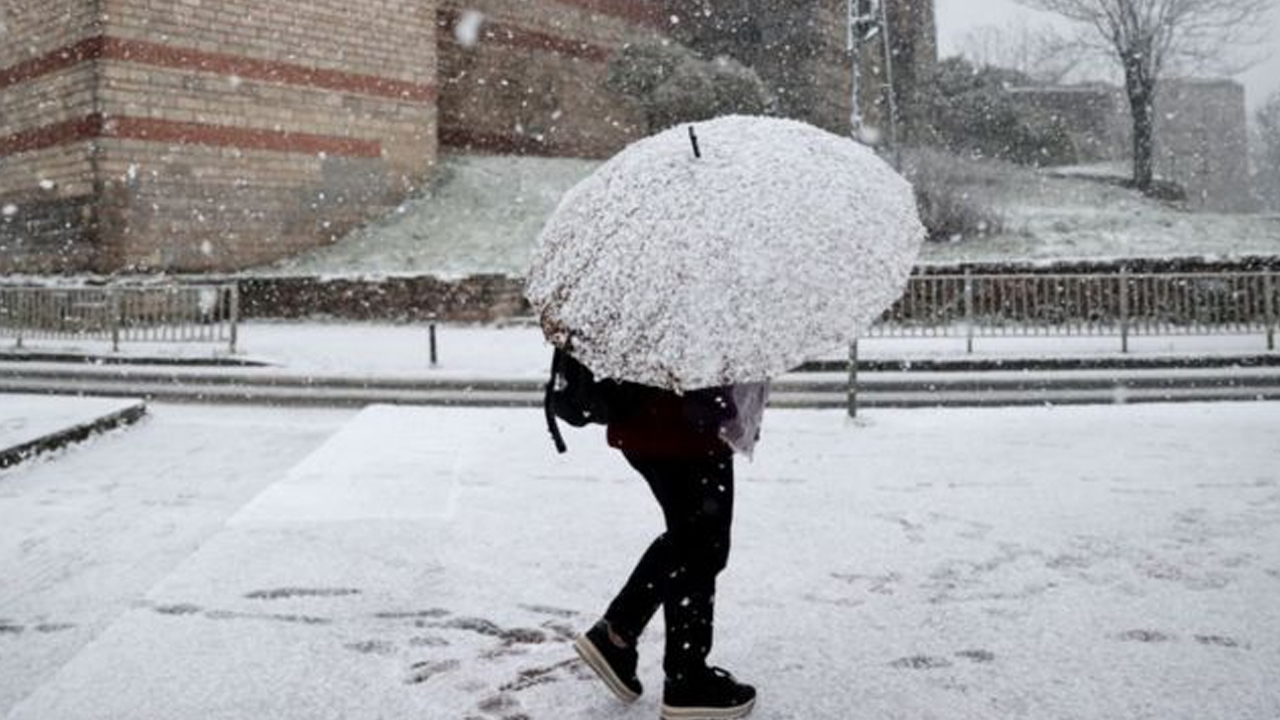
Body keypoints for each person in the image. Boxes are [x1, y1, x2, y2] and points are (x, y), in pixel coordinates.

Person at [573, 380, 769, 720]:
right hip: (684, 425)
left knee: (692, 538)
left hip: (649, 418)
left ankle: (618, 635)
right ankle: (686, 679)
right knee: (702, 544)